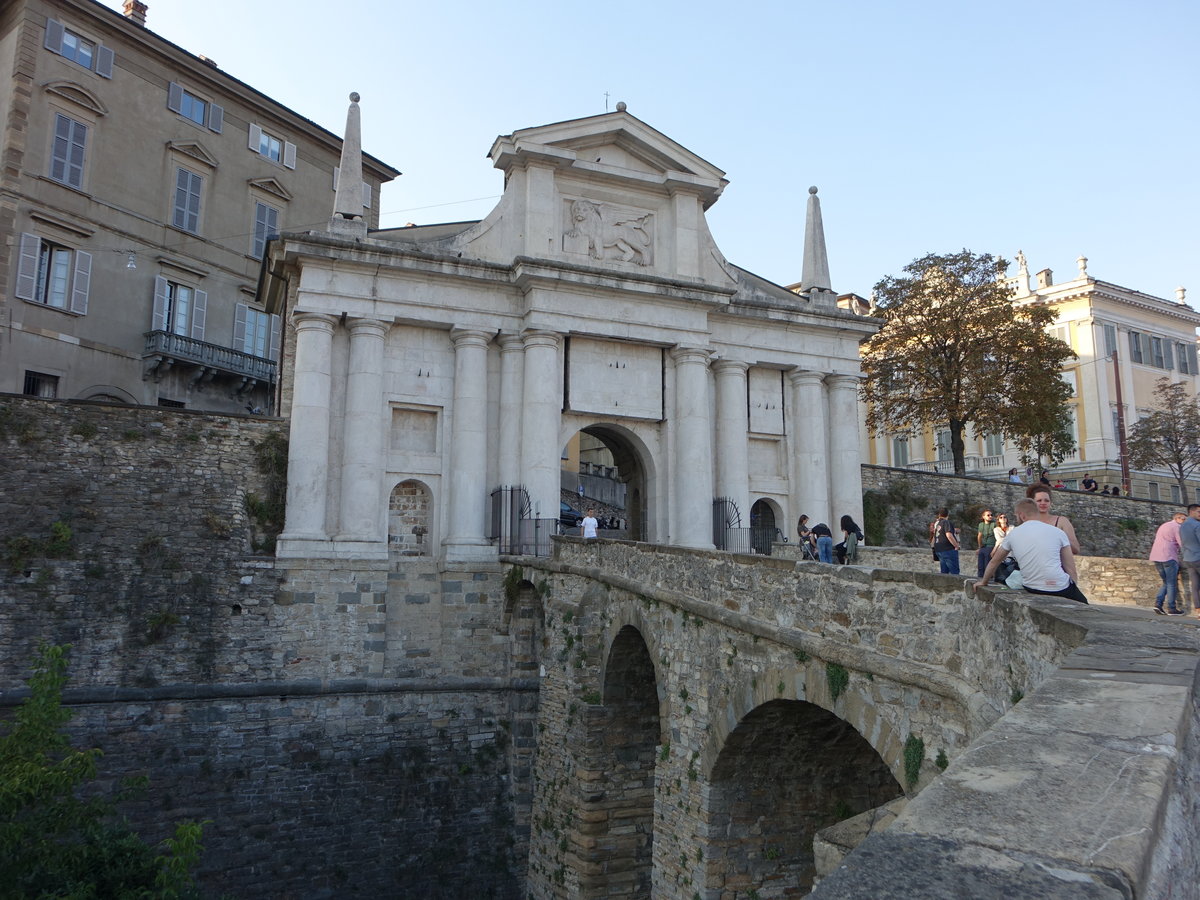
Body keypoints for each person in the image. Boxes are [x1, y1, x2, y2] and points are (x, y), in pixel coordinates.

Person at [975, 499, 1088, 603]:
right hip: (1060, 587)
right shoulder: (1058, 532)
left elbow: (995, 561)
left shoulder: (1013, 534)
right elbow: (1070, 568)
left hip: (1033, 587)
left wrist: (984, 582)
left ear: (1022, 515)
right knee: (1085, 606)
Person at [1025, 485, 1080, 555]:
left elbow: (1076, 549)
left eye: (1046, 500)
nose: (1043, 503)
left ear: (1050, 502)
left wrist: (1058, 537)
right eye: (1039, 500)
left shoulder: (1062, 521)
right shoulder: (1028, 524)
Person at [1149, 511, 1187, 615]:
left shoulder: (1164, 525)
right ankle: (1172, 608)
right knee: (1171, 584)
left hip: (1156, 556)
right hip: (1169, 557)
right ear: (1177, 518)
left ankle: (1158, 604)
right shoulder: (1177, 527)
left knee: (1166, 582)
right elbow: (1182, 544)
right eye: (1183, 519)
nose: (1184, 522)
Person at [1181, 504, 1200, 616]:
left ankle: (1198, 610)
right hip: (1198, 557)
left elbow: (1182, 543)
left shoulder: (1183, 525)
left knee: (1195, 585)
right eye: (1198, 511)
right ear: (1191, 512)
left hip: (1188, 558)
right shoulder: (1197, 525)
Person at [930, 508, 960, 575]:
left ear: (939, 515)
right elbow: (949, 535)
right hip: (948, 549)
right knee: (954, 572)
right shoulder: (946, 522)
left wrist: (933, 548)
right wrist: (956, 546)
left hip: (939, 549)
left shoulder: (937, 524)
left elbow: (934, 537)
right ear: (948, 515)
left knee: (944, 572)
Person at [975, 509, 996, 578]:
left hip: (990, 546)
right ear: (983, 517)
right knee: (980, 566)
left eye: (991, 515)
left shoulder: (994, 524)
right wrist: (979, 547)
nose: (990, 516)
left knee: (987, 565)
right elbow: (979, 536)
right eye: (988, 515)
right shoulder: (981, 525)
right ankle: (980, 579)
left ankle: (988, 580)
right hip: (983, 547)